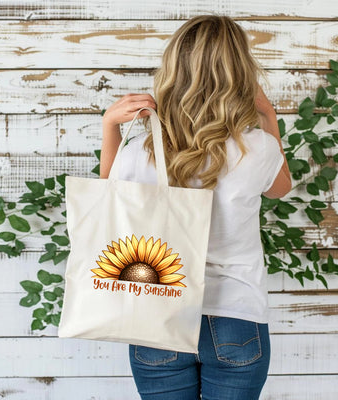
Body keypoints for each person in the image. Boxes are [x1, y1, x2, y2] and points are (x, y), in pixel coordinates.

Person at [100, 14, 291, 400]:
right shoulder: (258, 149)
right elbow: (280, 190)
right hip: (237, 316)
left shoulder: (142, 149)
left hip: (157, 311)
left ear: (172, 70)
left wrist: (110, 127)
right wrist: (268, 115)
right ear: (241, 73)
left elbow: (108, 199)